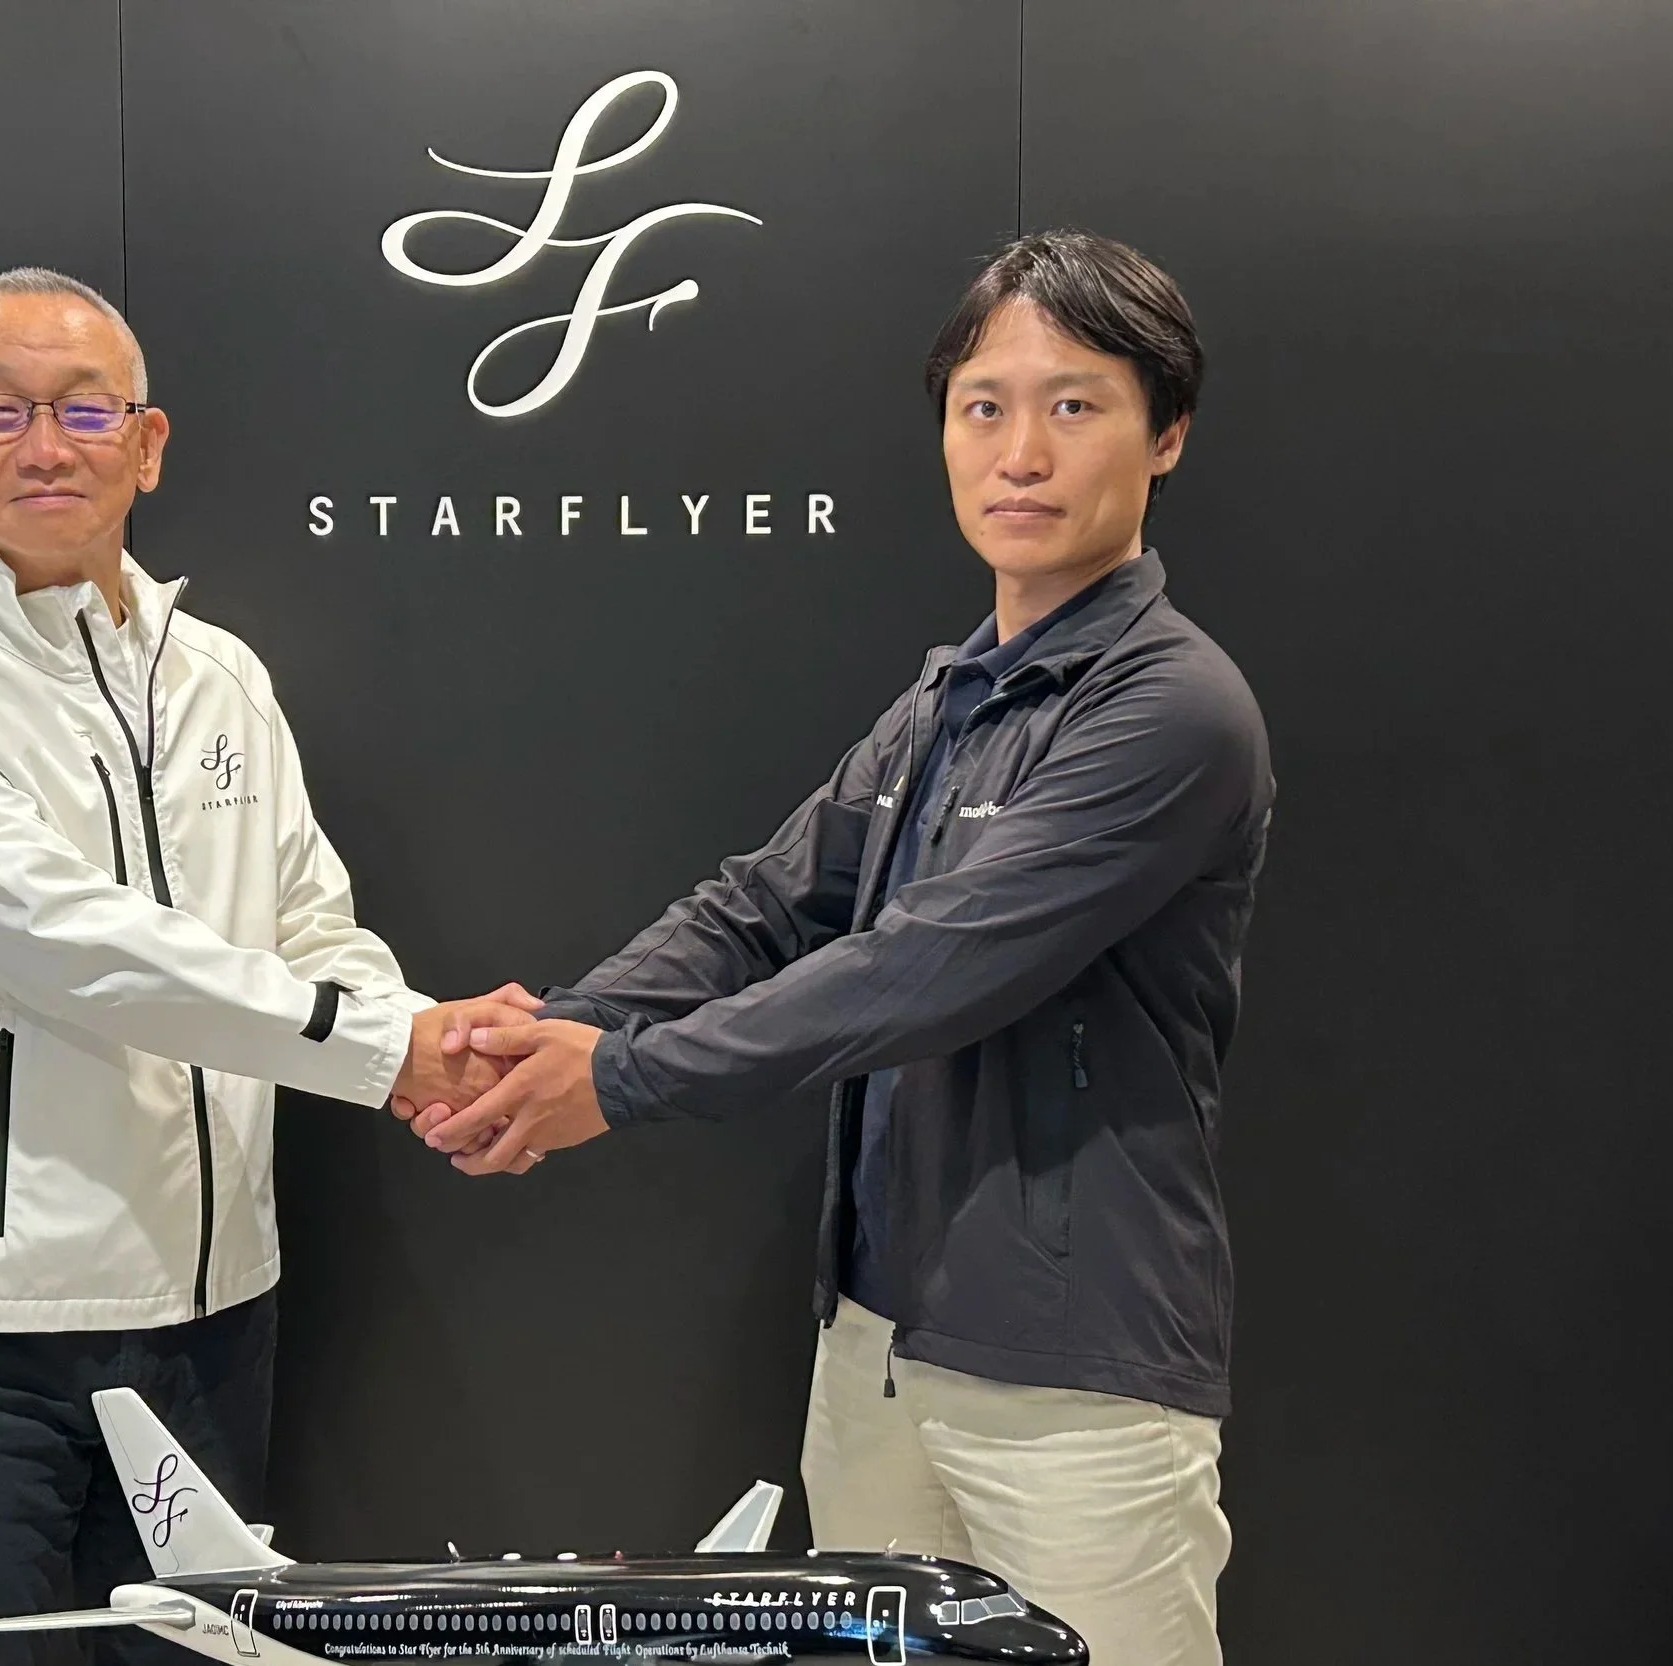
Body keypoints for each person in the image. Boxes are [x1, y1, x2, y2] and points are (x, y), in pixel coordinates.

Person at [411, 231, 1272, 1664]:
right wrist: (536, 1029)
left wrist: (613, 1077)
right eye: (984, 406)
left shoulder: (1175, 709)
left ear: (1165, 431)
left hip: (1077, 1384)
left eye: (1077, 404)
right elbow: (763, 902)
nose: (1022, 450)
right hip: (872, 1355)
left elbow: (924, 968)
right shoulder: (950, 696)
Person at [0, 267, 528, 1664]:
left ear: (148, 442)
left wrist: (423, 1043)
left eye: (85, 407)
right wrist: (392, 1051)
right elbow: (75, 945)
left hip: (215, 1323)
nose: (45, 443)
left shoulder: (223, 675)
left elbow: (307, 917)